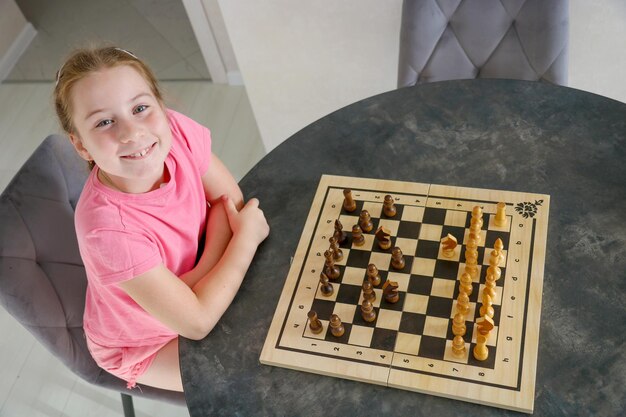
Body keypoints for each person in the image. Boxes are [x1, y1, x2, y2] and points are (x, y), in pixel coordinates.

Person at [53, 46, 270, 392]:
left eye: (140, 108)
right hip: (144, 342)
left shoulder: (176, 133)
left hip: (196, 280)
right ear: (80, 145)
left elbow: (232, 203)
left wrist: (197, 282)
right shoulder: (105, 229)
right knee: (253, 380)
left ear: (160, 105)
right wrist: (241, 240)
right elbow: (196, 322)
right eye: (104, 122)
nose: (132, 132)